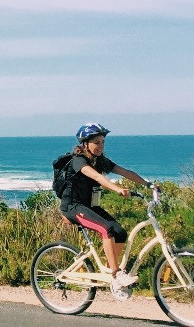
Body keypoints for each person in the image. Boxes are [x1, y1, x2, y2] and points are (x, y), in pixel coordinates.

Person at [58, 123, 152, 291]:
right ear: (85, 144)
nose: (101, 146)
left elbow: (124, 172)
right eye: (97, 142)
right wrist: (116, 189)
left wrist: (148, 184)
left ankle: (110, 271)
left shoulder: (99, 161)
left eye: (102, 142)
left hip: (89, 206)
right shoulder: (78, 161)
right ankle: (116, 274)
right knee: (106, 229)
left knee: (120, 232)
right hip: (73, 207)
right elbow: (95, 176)